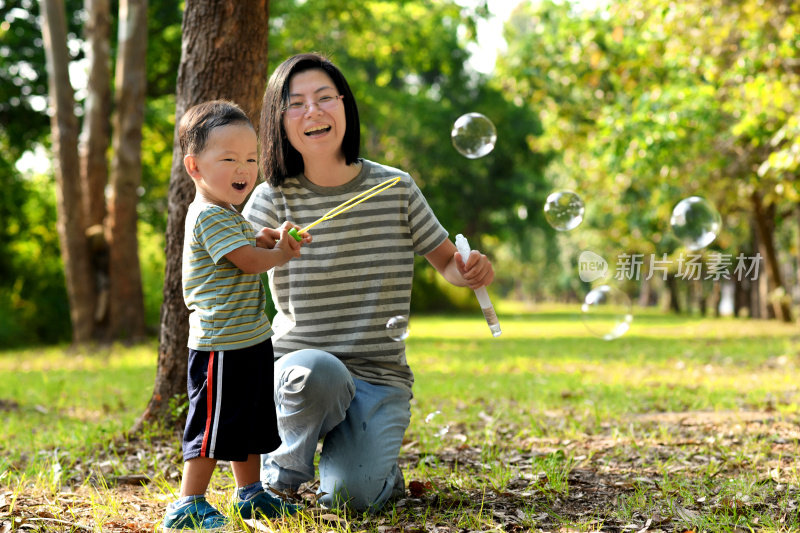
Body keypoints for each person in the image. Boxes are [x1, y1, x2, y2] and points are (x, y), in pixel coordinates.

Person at [241, 53, 495, 513]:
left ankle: (375, 472)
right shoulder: (270, 197)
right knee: (319, 372)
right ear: (279, 121)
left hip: (379, 375)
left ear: (344, 105)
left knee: (349, 501)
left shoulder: (394, 188)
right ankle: (278, 481)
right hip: (298, 370)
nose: (313, 112)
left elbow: (448, 265)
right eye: (296, 103)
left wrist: (471, 269)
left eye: (324, 98)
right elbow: (238, 267)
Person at [162, 100, 310, 532]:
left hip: (248, 339)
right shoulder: (208, 214)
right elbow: (246, 260)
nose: (242, 168)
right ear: (194, 166)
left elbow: (249, 240)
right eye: (228, 159)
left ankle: (249, 495)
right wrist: (279, 252)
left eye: (249, 158)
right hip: (221, 347)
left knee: (247, 422)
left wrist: (270, 235)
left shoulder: (228, 212)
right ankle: (187, 504)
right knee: (213, 428)